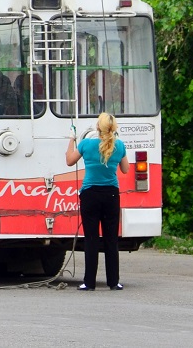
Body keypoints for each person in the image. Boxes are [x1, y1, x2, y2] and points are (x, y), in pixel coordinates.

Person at [66, 111, 130, 290]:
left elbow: (69, 161)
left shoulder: (86, 144)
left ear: (97, 127)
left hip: (90, 194)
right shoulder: (119, 145)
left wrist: (71, 139)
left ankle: (89, 282)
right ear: (113, 128)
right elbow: (125, 169)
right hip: (111, 195)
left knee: (91, 238)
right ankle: (113, 282)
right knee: (111, 239)